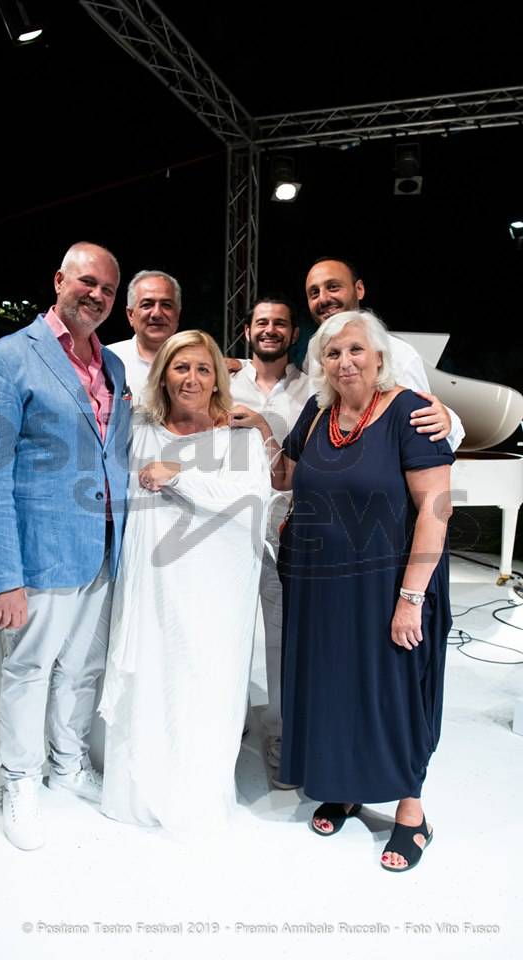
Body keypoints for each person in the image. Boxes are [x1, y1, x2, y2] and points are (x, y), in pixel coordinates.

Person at [232, 309, 454, 872]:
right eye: (332, 354)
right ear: (322, 365)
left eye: (355, 350)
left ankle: (412, 812)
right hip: (319, 583)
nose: (344, 361)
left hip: (386, 583)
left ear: (378, 357)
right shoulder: (318, 412)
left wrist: (411, 599)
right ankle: (349, 786)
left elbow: (435, 509)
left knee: (394, 691)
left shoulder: (409, 412)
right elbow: (288, 477)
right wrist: (261, 429)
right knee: (334, 685)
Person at [0, 241, 131, 851]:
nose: (97, 295)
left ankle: (68, 761)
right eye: (88, 282)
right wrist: (5, 575)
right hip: (40, 551)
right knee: (31, 669)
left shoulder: (111, 366)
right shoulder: (6, 359)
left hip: (105, 547)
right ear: (59, 280)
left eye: (109, 290)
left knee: (84, 667)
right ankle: (20, 777)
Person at [99, 330, 271, 836]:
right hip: (152, 584)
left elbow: (253, 499)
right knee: (151, 676)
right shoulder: (141, 428)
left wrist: (179, 475)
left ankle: (194, 792)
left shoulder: (239, 435)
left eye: (202, 368)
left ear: (217, 377)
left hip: (213, 591)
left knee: (204, 682)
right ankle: (139, 787)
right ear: (162, 374)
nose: (191, 378)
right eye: (180, 367)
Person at [229, 295, 308, 783]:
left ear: (294, 334)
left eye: (280, 323)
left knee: (281, 638)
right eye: (262, 322)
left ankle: (280, 731)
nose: (271, 329)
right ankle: (229, 718)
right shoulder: (224, 378)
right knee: (228, 630)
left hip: (284, 529)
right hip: (226, 529)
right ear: (247, 331)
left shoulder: (312, 388)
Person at [304, 257, 465, 449]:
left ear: (359, 289)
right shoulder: (313, 354)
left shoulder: (399, 354)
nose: (323, 298)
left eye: (333, 287)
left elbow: (427, 424)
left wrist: (449, 421)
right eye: (314, 293)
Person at [107, 269, 181, 402]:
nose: (157, 314)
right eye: (147, 305)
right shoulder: (107, 360)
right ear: (131, 315)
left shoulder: (200, 363)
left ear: (177, 314)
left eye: (166, 305)